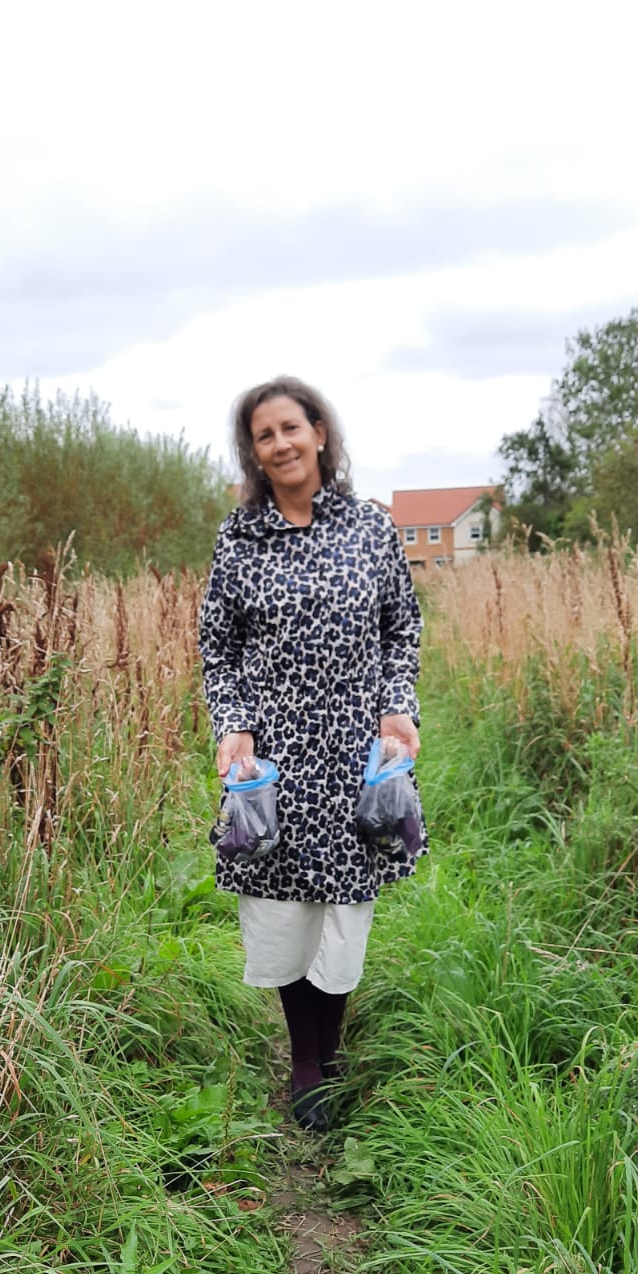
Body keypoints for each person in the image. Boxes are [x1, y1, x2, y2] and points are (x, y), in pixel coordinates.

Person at [199, 376, 424, 1131]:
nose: (281, 444)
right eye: (264, 435)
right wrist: (233, 725)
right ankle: (306, 1061)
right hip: (275, 756)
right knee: (285, 906)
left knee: (345, 904)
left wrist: (397, 706)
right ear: (254, 453)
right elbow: (218, 649)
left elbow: (401, 629)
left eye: (291, 427)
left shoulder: (370, 528)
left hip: (358, 749)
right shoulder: (239, 540)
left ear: (320, 433)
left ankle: (332, 1047)